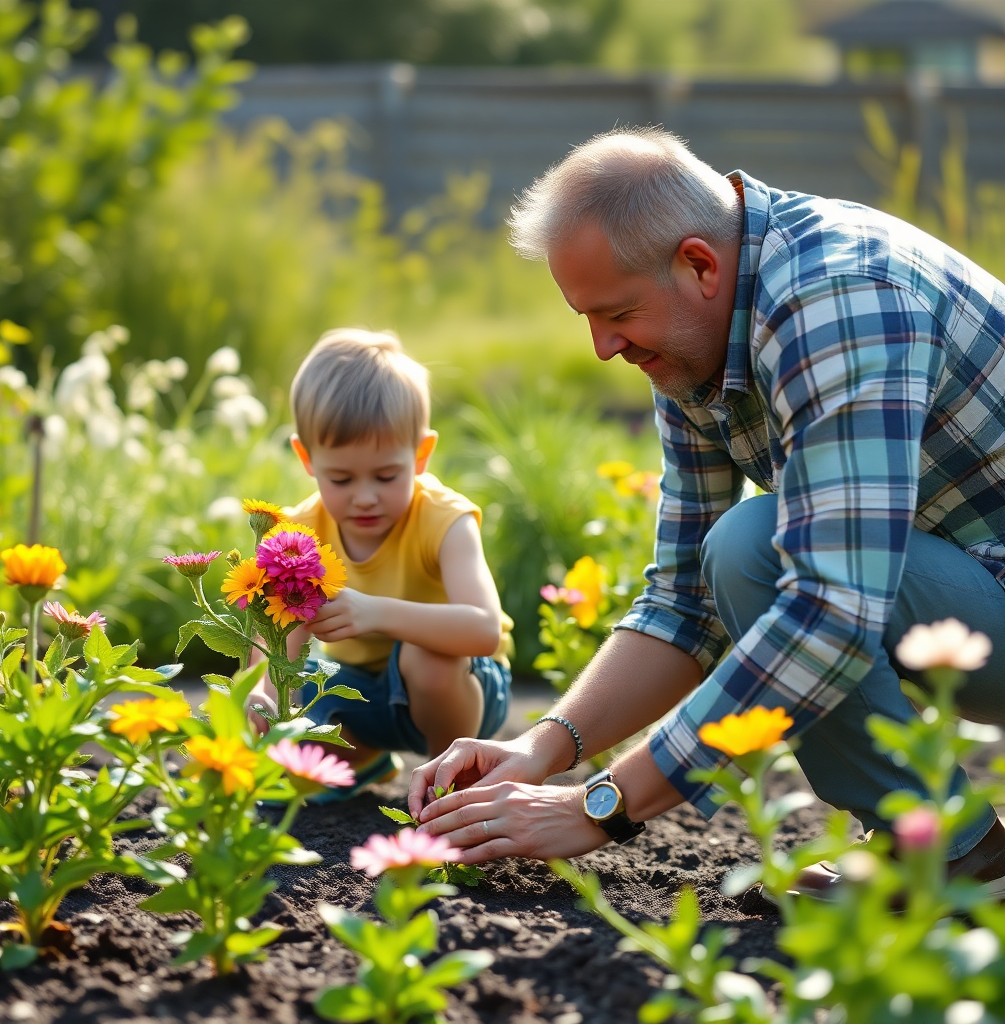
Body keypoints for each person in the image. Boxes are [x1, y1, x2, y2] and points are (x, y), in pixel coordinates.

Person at [408, 128, 1005, 897]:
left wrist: (601, 807)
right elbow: (684, 600)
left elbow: (831, 612)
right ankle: (948, 848)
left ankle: (946, 853)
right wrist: (542, 749)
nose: (602, 347)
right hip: (977, 597)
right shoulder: (699, 342)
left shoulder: (838, 300)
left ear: (699, 263)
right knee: (741, 549)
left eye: (618, 312)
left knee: (758, 545)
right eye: (586, 317)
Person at [248, 328, 513, 799]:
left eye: (387, 475)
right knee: (294, 705)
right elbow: (278, 641)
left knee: (427, 657)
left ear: (421, 455)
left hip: (457, 693)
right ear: (307, 458)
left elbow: (484, 630)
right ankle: (361, 758)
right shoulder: (297, 533)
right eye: (341, 478)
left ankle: (452, 780)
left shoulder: (445, 520)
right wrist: (262, 692)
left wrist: (375, 612)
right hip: (357, 692)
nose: (365, 497)